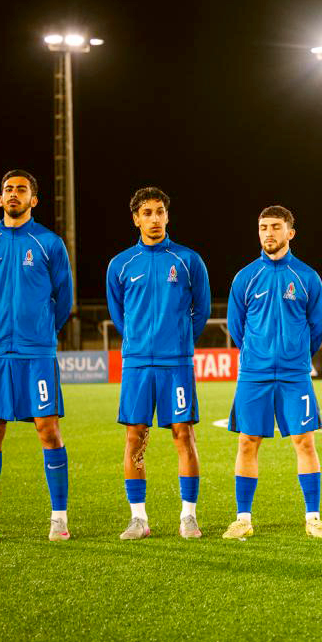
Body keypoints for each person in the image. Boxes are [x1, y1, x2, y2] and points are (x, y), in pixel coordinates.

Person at [0, 170, 74, 543]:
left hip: (36, 352)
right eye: (8, 189)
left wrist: (40, 331)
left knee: (48, 428)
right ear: (0, 198)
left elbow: (64, 298)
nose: (13, 194)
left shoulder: (49, 243)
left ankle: (59, 519)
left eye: (21, 189)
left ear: (33, 200)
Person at [106, 187, 211, 539]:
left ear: (168, 216)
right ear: (136, 219)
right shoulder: (120, 264)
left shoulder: (188, 260)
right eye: (147, 212)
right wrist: (138, 341)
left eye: (160, 211)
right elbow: (119, 314)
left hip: (176, 363)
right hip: (137, 363)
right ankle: (138, 519)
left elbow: (202, 309)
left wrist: (179, 341)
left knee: (184, 434)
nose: (154, 218)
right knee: (135, 437)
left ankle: (188, 516)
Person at [223, 206, 322, 539]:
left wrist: (296, 355)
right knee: (247, 442)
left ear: (290, 233)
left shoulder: (307, 277)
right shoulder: (245, 277)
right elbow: (236, 327)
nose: (268, 233)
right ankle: (243, 519)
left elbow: (319, 326)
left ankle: (313, 517)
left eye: (275, 227)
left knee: (304, 442)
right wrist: (257, 355)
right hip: (253, 375)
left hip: (294, 375)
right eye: (263, 227)